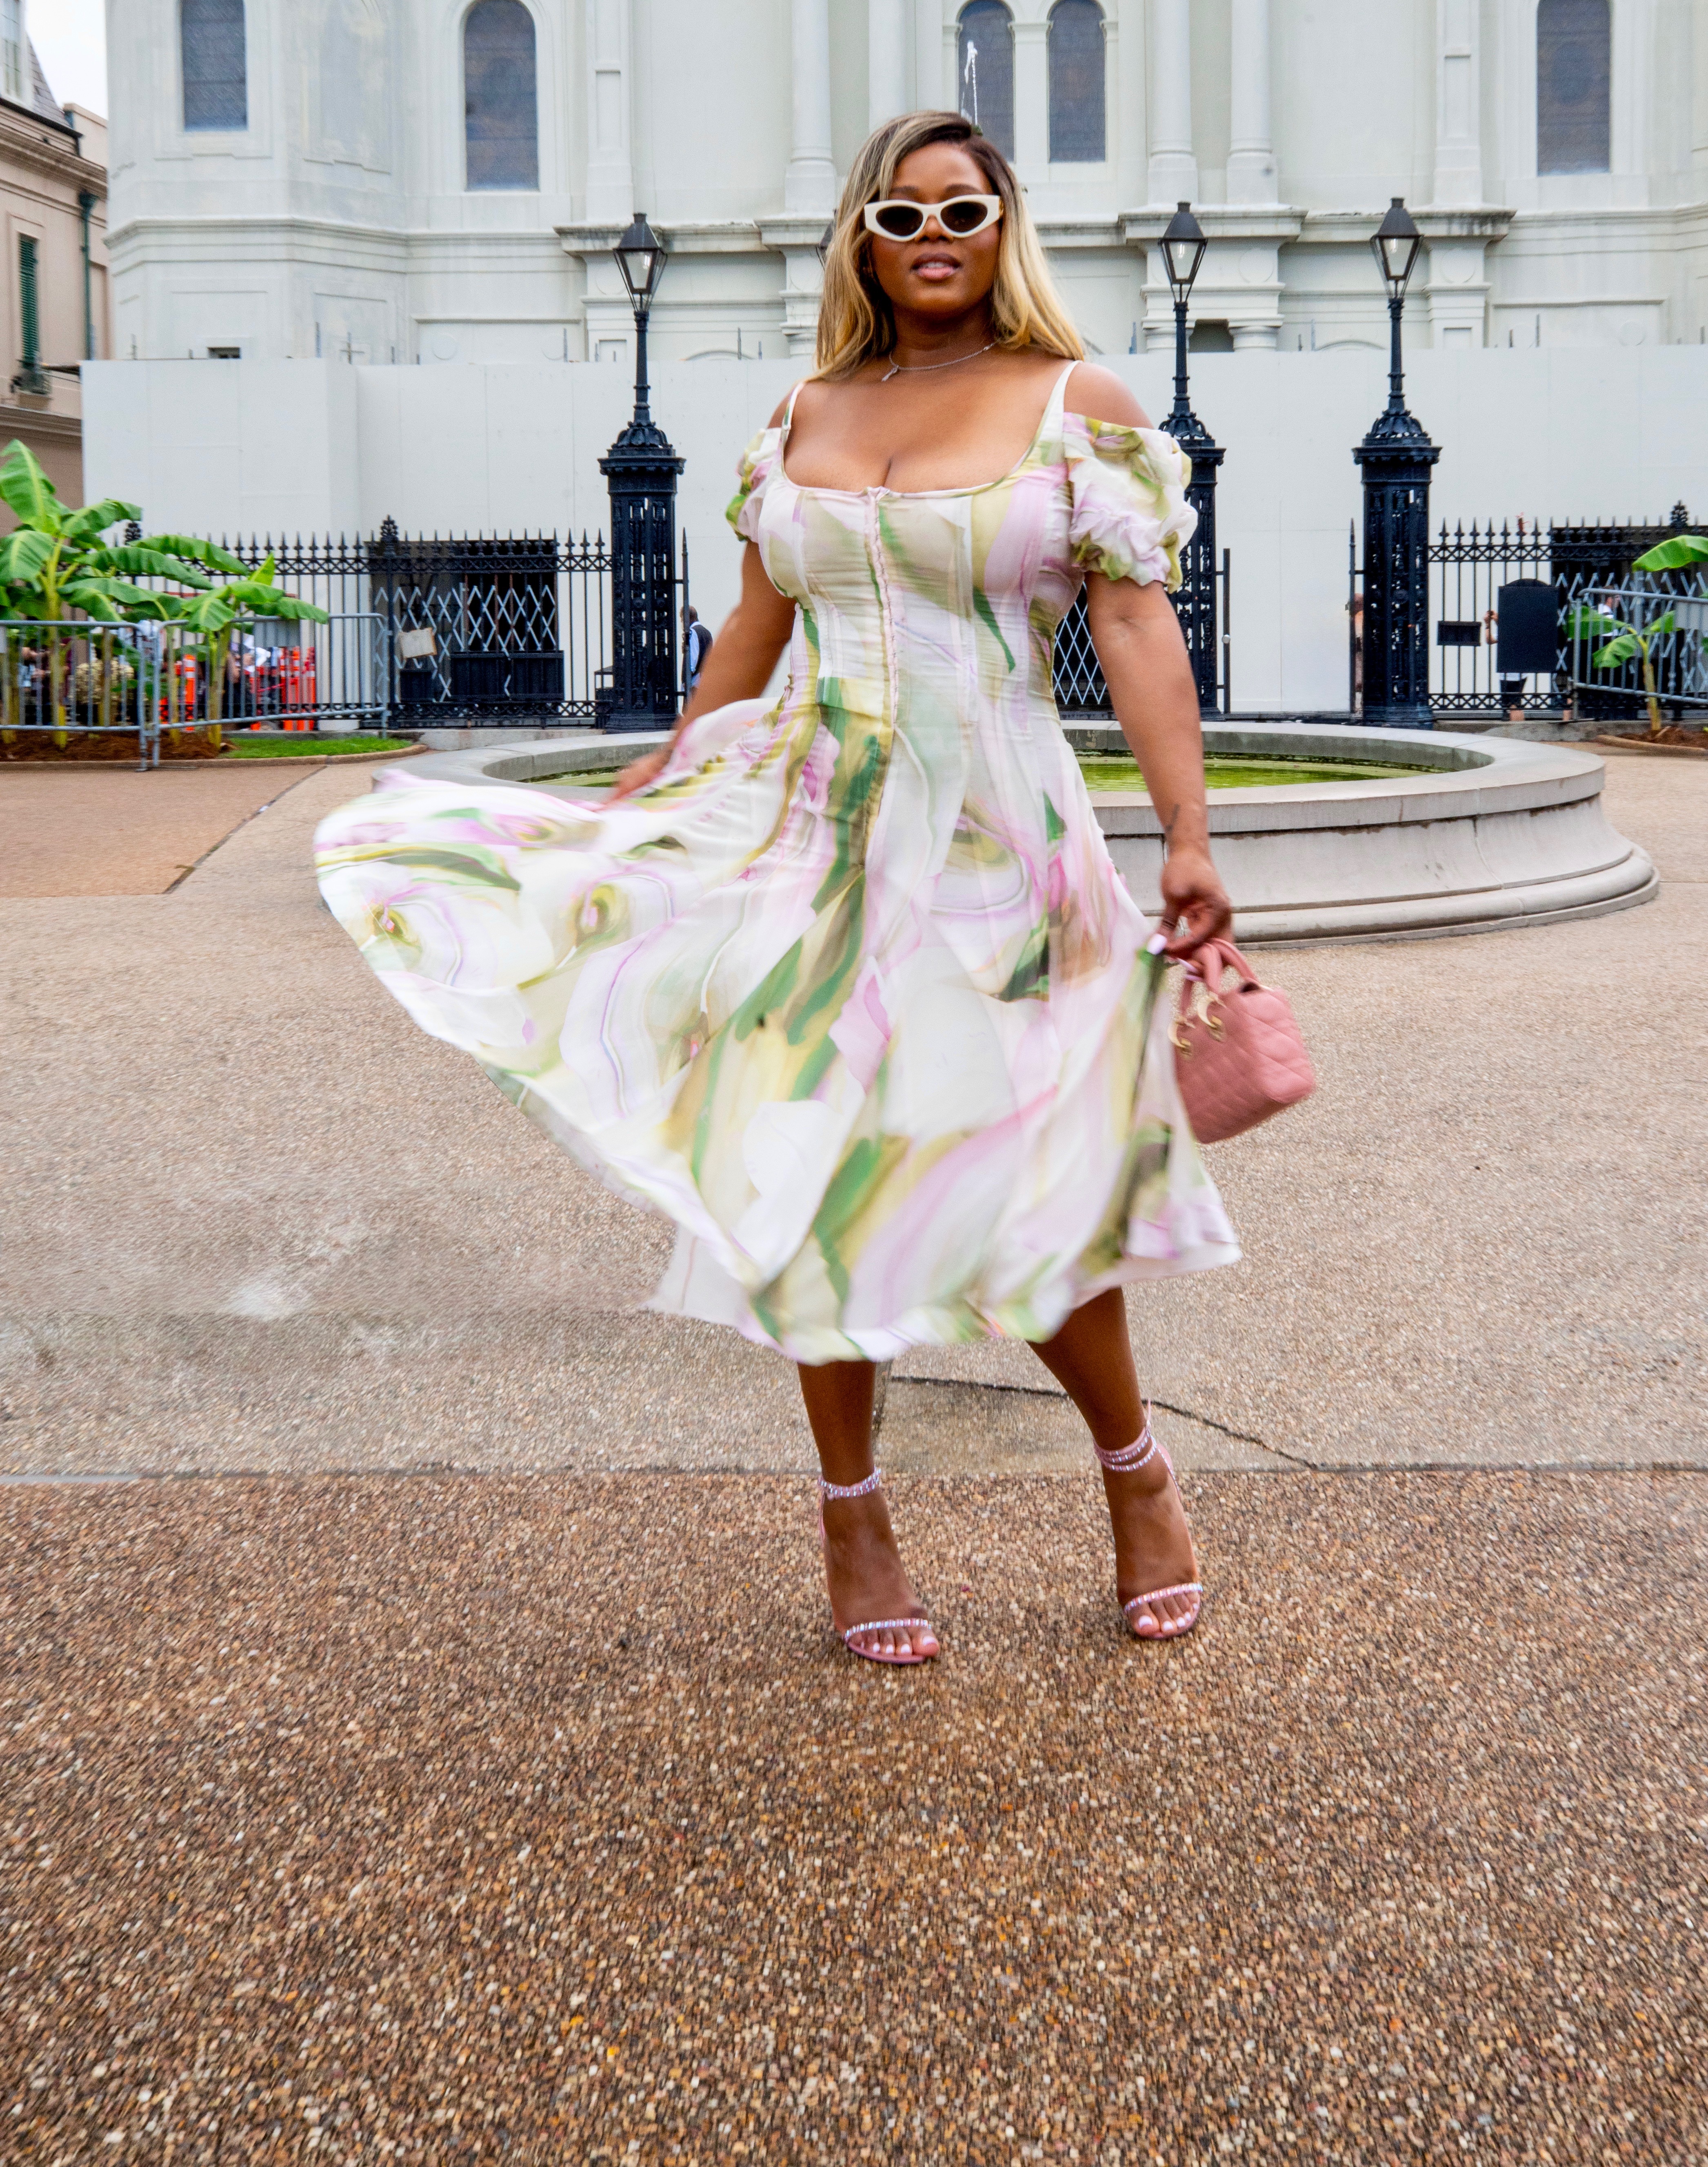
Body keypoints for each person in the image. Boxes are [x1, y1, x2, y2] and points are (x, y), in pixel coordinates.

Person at [314, 111, 1238, 1664]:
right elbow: (752, 631)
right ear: (860, 238)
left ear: (1003, 223)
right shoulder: (802, 407)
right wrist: (669, 782)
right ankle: (850, 1512)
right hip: (820, 828)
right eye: (896, 210)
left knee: (1040, 1174)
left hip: (1003, 837)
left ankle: (1135, 1474)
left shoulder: (1075, 405)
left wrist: (1191, 836)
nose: (929, 231)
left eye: (960, 205)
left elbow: (1135, 631)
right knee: (811, 1173)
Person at [682, 603, 714, 697]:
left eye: (683, 620)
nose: (682, 623)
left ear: (688, 619)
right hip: (703, 679)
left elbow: (693, 659)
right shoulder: (707, 633)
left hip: (694, 682)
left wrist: (686, 679)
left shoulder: (692, 632)